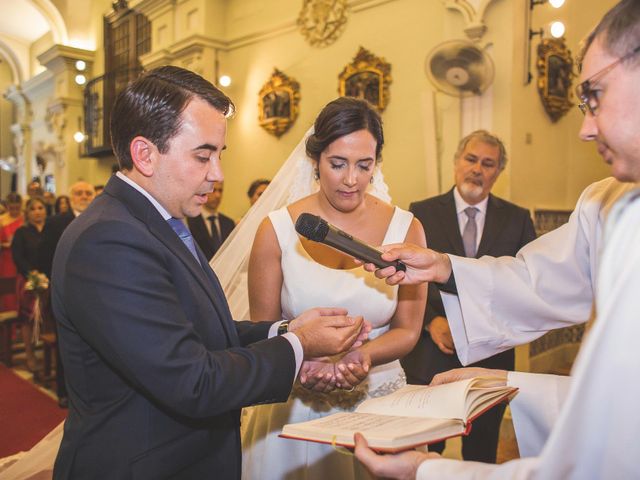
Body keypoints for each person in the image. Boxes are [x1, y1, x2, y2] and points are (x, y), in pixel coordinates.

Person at [354, 1, 640, 477]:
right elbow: (538, 279)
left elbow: (606, 454)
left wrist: (426, 472)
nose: (586, 129)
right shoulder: (607, 202)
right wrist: (446, 268)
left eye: (594, 95)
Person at [51, 66, 365, 479]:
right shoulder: (109, 239)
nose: (217, 174)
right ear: (145, 154)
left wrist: (286, 332)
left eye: (219, 155)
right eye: (203, 155)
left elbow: (199, 332)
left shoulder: (156, 220)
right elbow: (192, 381)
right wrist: (299, 346)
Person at [241, 97, 427, 480]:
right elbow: (264, 329)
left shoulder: (406, 228)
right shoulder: (275, 230)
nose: (351, 180)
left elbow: (408, 329)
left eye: (364, 165)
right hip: (295, 403)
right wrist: (301, 360)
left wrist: (362, 358)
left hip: (380, 401)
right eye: (337, 164)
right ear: (315, 160)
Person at [402, 130, 536, 463]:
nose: (477, 169)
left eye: (488, 163)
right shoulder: (422, 212)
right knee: (421, 453)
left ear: (498, 172)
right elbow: (407, 280)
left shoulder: (518, 220)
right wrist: (431, 322)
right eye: (471, 159)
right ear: (457, 162)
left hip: (489, 360)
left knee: (481, 455)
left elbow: (524, 286)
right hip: (431, 355)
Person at [10, 197, 47, 371]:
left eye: (40, 207)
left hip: (49, 279)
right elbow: (18, 257)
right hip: (27, 280)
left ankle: (50, 356)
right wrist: (32, 275)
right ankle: (30, 356)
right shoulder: (22, 232)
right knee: (27, 319)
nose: (38, 211)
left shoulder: (50, 230)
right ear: (28, 212)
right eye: (33, 209)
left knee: (49, 317)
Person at [186, 181, 235, 260]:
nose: (217, 195)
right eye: (213, 190)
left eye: (220, 191)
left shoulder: (229, 223)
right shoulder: (190, 221)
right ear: (203, 193)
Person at [0, 192, 24, 311]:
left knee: (22, 289)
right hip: (7, 259)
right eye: (11, 208)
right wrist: (7, 244)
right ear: (7, 206)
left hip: (23, 257)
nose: (14, 210)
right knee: (9, 292)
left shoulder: (25, 218)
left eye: (17, 208)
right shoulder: (2, 220)